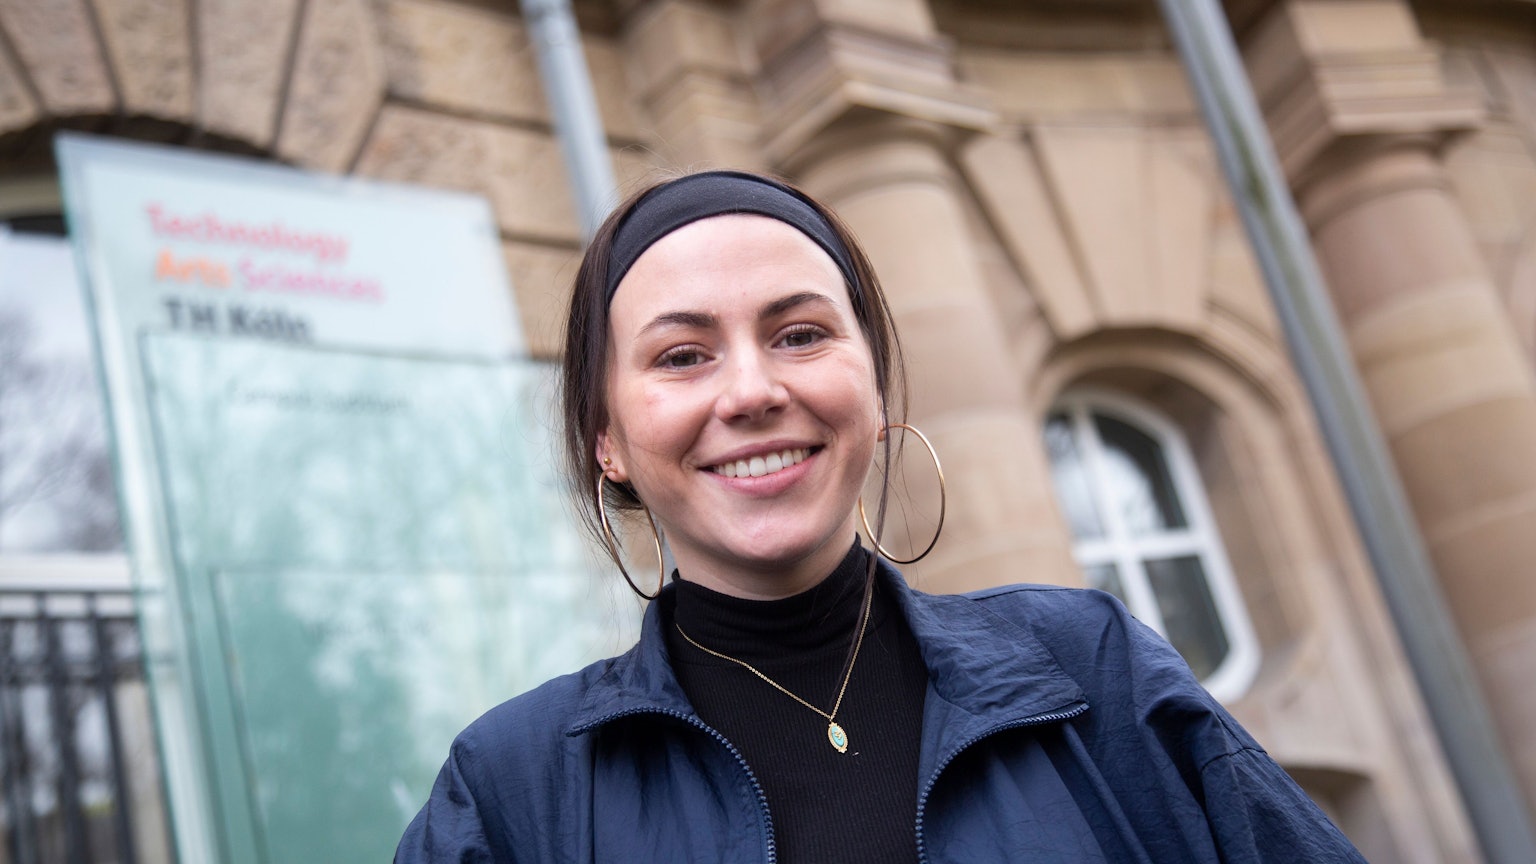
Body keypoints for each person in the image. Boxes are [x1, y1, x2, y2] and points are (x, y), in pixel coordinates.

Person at [395, 171, 1366, 863]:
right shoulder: (515, 787)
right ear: (607, 438)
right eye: (683, 356)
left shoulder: (1091, 669)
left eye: (802, 334)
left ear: (873, 383)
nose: (753, 389)